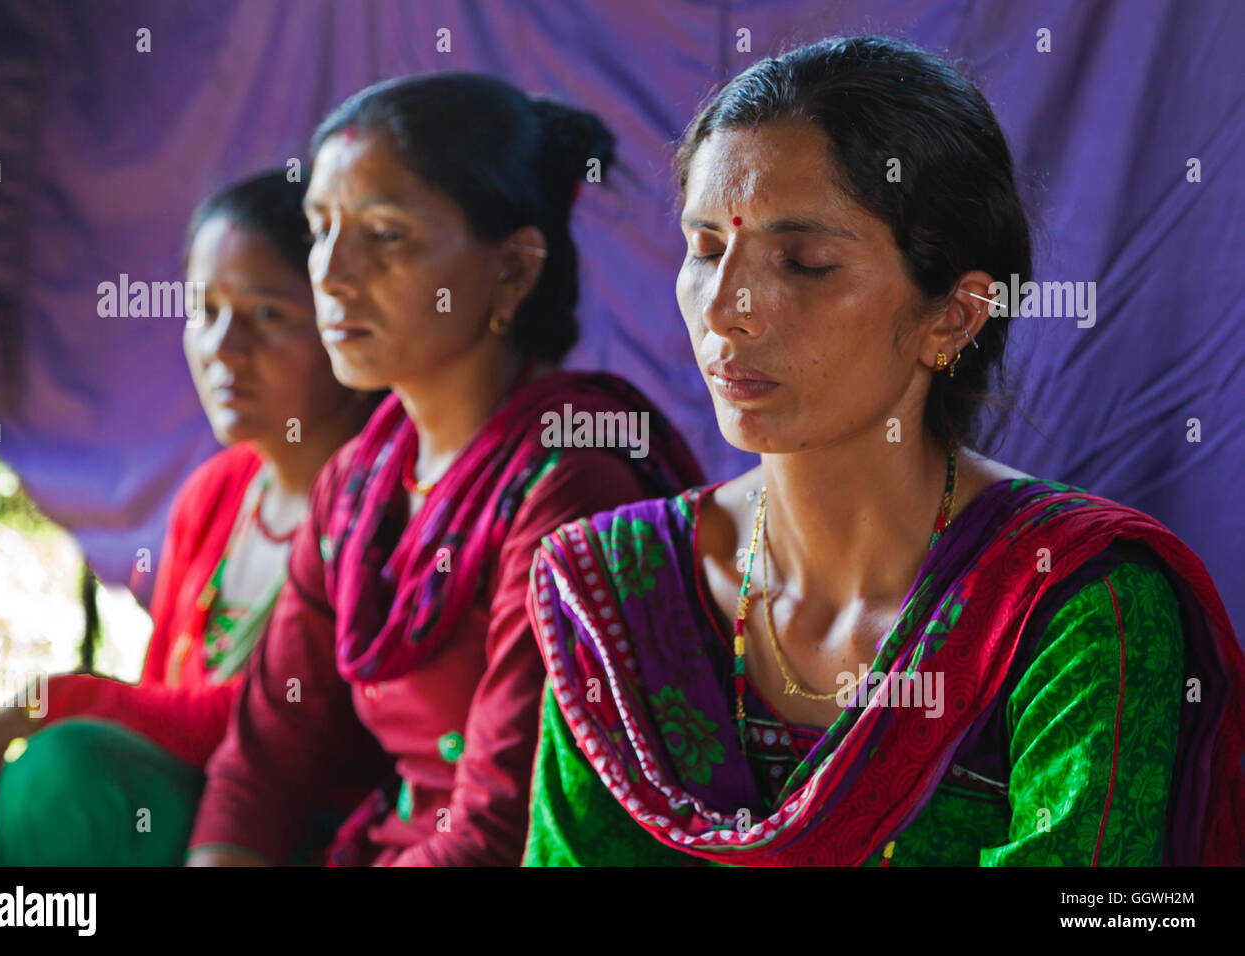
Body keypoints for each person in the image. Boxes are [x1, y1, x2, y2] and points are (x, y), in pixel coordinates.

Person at [524, 36, 1245, 866]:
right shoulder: (623, 595)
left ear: (955, 316)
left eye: (804, 262)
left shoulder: (1069, 603)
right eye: (707, 250)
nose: (726, 309)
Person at [184, 73, 702, 867]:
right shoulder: (358, 484)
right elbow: (264, 757)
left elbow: (505, 828)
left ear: (512, 271)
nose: (330, 272)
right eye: (321, 228)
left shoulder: (572, 479)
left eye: (384, 234)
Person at [0, 171, 374, 865]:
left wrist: (60, 700)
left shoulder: (378, 500)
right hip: (181, 812)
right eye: (205, 311)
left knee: (68, 774)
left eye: (267, 315)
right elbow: (163, 700)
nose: (223, 347)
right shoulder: (217, 493)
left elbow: (270, 723)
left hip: (299, 831)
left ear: (342, 319)